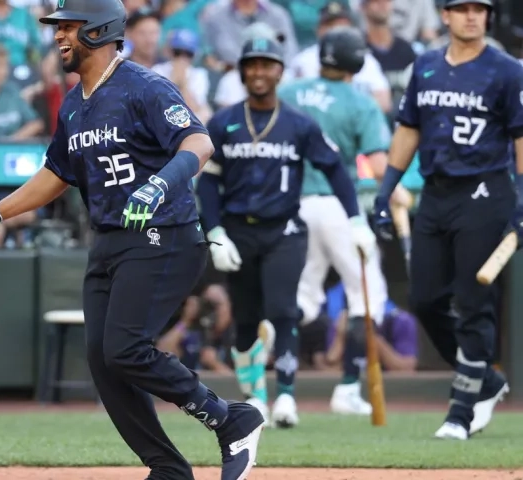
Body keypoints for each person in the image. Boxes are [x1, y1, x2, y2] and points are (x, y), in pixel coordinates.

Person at [0, 0, 266, 478]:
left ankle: (231, 419)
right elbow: (57, 173)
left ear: (99, 29)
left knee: (124, 348)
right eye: (58, 27)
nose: (59, 36)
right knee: (103, 361)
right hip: (111, 240)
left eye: (69, 27)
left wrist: (159, 184)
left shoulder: (144, 85)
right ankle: (167, 469)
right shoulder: (75, 102)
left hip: (165, 234)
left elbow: (198, 142)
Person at [196, 36, 375, 428]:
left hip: (285, 230)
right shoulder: (223, 122)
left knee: (282, 310)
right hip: (238, 232)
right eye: (252, 65)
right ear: (241, 71)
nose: (259, 72)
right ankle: (255, 397)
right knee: (245, 319)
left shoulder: (298, 123)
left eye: (267, 65)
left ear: (280, 71)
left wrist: (356, 219)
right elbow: (207, 182)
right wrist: (214, 231)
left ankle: (287, 396)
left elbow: (336, 171)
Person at [372, 0, 518, 440]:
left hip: (485, 191)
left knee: (474, 302)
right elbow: (408, 129)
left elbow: (521, 135)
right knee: (425, 298)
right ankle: (485, 381)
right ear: (446, 15)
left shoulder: (509, 70)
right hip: (434, 194)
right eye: (463, 7)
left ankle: (461, 409)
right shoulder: (426, 65)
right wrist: (386, 189)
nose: (473, 15)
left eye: (481, 9)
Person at [278, 25, 410, 417]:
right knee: (367, 295)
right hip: (340, 208)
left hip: (291, 206)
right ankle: (348, 387)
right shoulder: (360, 101)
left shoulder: (288, 92)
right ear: (357, 61)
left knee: (301, 299)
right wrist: (399, 194)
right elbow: (379, 162)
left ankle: (282, 391)